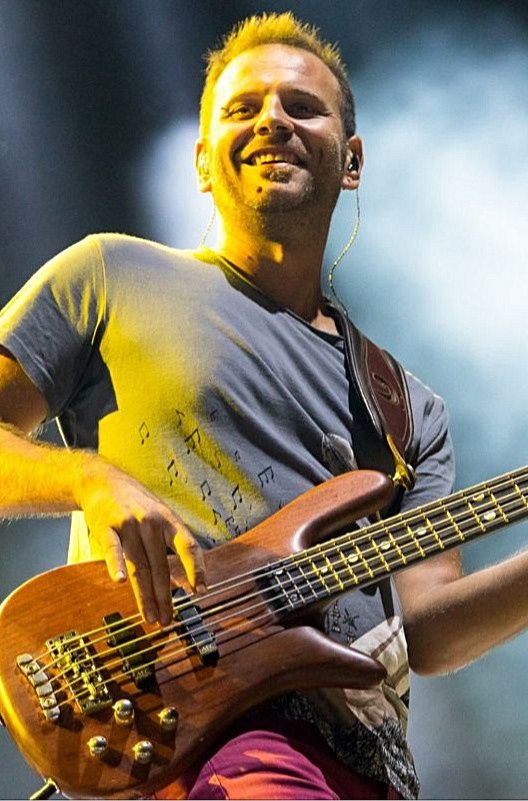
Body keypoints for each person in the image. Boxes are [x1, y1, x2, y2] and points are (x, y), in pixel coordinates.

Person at [1, 12, 528, 801]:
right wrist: (90, 480)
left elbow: (427, 631)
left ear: (352, 162)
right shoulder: (107, 275)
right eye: (243, 108)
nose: (273, 120)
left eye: (302, 106)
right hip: (211, 741)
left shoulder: (407, 406)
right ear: (201, 161)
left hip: (372, 766)